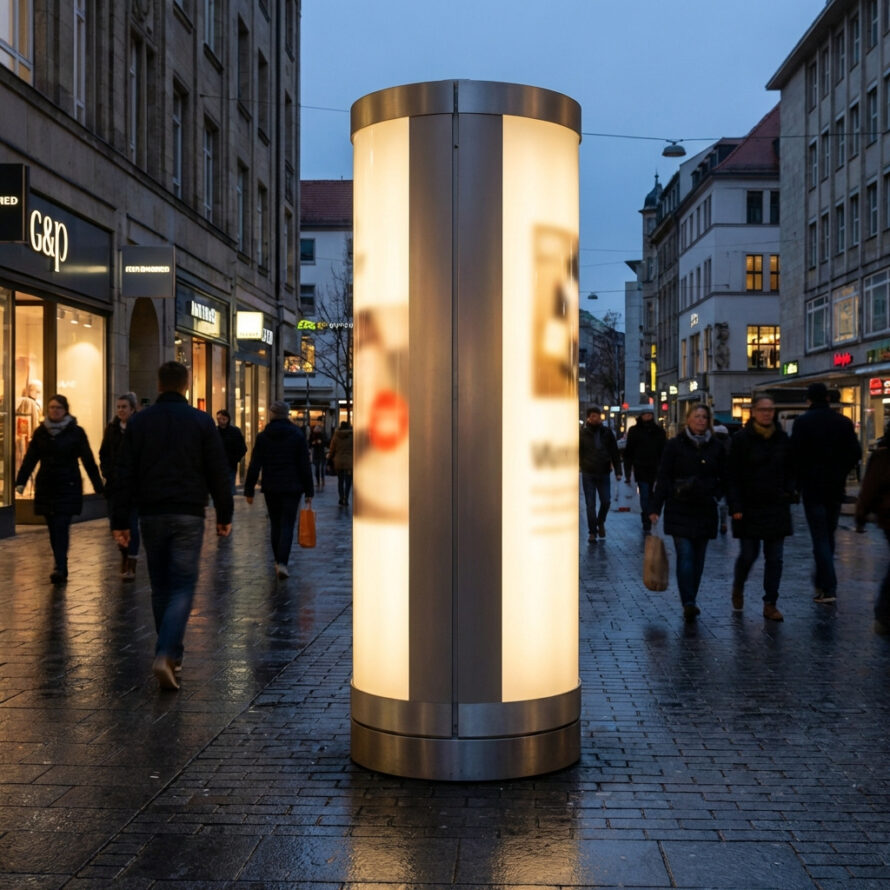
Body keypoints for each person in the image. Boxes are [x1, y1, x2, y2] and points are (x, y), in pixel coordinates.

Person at [112, 361, 233, 691]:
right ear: (186, 385)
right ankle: (167, 653)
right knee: (183, 584)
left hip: (151, 513)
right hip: (189, 513)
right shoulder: (201, 421)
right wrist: (225, 514)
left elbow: (124, 473)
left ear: (159, 384)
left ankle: (170, 654)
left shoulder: (140, 422)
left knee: (161, 585)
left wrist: (120, 520)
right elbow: (218, 471)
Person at [648, 403, 727, 622]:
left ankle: (691, 596)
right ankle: (688, 602)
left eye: (704, 417)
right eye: (697, 416)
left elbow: (725, 475)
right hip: (679, 507)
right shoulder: (675, 445)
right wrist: (655, 507)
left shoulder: (716, 447)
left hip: (705, 509)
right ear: (688, 419)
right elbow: (664, 476)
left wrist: (717, 493)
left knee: (698, 560)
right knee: (685, 555)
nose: (700, 420)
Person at [14, 394, 104, 584]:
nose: (55, 411)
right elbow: (31, 458)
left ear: (65, 410)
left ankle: (60, 566)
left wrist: (97, 484)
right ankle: (59, 560)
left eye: (58, 408)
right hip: (46, 485)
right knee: (53, 527)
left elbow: (88, 460)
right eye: (52, 408)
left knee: (61, 525)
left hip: (67, 485)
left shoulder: (76, 432)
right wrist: (21, 481)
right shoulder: (41, 432)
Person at [790, 381, 861, 604]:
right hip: (835, 487)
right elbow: (855, 452)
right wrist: (841, 472)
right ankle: (823, 582)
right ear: (828, 398)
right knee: (828, 535)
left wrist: (797, 483)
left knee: (820, 537)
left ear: (808, 399)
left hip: (812, 488)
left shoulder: (802, 423)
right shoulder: (843, 422)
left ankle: (828, 586)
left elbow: (795, 457)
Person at [727, 394, 796, 622]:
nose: (767, 413)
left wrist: (789, 490)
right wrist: (735, 505)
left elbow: (791, 469)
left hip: (776, 506)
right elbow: (732, 475)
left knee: (775, 558)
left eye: (770, 409)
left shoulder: (782, 438)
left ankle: (770, 603)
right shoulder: (741, 439)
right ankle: (738, 586)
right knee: (749, 554)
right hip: (749, 507)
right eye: (763, 409)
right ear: (754, 412)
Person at [244, 400, 314, 580]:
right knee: (287, 524)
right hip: (292, 487)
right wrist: (309, 491)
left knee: (275, 524)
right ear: (286, 414)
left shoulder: (263, 436)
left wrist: (249, 489)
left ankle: (277, 560)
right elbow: (304, 465)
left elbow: (255, 464)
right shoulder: (297, 435)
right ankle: (282, 562)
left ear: (272, 415)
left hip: (271, 486)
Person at [100, 392, 140, 581]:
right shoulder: (112, 429)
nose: (121, 410)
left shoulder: (139, 428)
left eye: (124, 407)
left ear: (132, 409)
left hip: (133, 487)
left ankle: (131, 562)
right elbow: (104, 453)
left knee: (132, 524)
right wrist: (108, 472)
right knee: (116, 524)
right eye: (118, 407)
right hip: (115, 486)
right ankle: (124, 554)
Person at [854, 424, 890, 635]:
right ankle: (884, 613)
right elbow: (870, 488)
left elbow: (869, 489)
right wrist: (861, 515)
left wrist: (861, 516)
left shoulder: (881, 455)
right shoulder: (883, 456)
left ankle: (884, 614)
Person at [579, 406, 622, 542]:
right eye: (592, 416)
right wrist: (580, 465)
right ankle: (592, 532)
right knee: (590, 505)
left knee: (606, 501)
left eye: (597, 416)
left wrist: (618, 471)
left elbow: (614, 452)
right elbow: (578, 451)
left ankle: (600, 521)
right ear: (588, 418)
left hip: (603, 472)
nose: (595, 418)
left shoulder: (607, 433)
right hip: (588, 472)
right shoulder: (582, 434)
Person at [623, 408, 666, 534]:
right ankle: (646, 518)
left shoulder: (659, 431)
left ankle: (650, 515)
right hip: (640, 467)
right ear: (641, 416)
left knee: (652, 494)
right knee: (645, 493)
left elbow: (664, 450)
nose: (647, 417)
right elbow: (629, 450)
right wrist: (628, 469)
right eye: (645, 415)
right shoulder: (634, 431)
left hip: (655, 468)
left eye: (649, 415)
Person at [216, 409, 247, 493]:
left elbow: (242, 448)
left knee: (229, 488)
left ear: (228, 419)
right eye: (218, 419)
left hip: (230, 464)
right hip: (217, 464)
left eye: (223, 419)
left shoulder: (235, 431)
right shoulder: (215, 431)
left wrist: (236, 459)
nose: (220, 421)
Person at [328, 419, 354, 506]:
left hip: (338, 461)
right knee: (348, 481)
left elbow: (332, 449)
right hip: (349, 462)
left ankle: (341, 497)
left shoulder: (336, 436)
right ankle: (346, 498)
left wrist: (329, 459)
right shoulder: (352, 436)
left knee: (340, 481)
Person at [712, 424, 731, 534]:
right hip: (726, 476)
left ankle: (714, 522)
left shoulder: (712, 443)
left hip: (714, 475)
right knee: (723, 503)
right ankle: (723, 522)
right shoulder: (730, 442)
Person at [308, 424, 327, 490]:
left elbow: (325, 442)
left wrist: (321, 442)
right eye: (315, 429)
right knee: (317, 468)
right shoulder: (312, 435)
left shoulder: (322, 435)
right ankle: (318, 482)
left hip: (321, 453)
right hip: (316, 453)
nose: (316, 430)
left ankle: (322, 480)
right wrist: (313, 443)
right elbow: (310, 443)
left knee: (321, 468)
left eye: (317, 429)